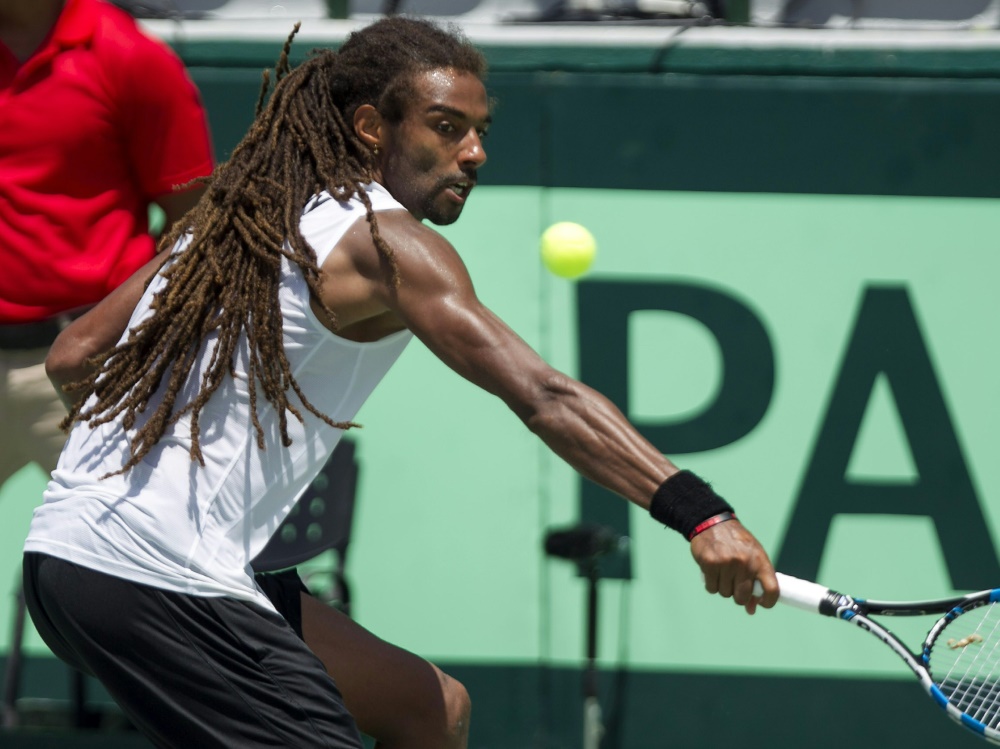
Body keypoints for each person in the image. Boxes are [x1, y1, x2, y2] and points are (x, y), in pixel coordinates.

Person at [23, 15, 779, 749]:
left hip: (61, 564)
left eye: (481, 131)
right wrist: (701, 514)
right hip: (158, 578)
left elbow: (75, 355)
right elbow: (544, 396)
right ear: (370, 129)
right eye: (448, 128)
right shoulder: (388, 244)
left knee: (432, 709)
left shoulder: (237, 216)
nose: (475, 152)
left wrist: (146, 476)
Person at [0, 0, 212, 497]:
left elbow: (195, 221)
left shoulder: (131, 57)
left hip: (92, 370)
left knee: (119, 561)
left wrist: (122, 340)